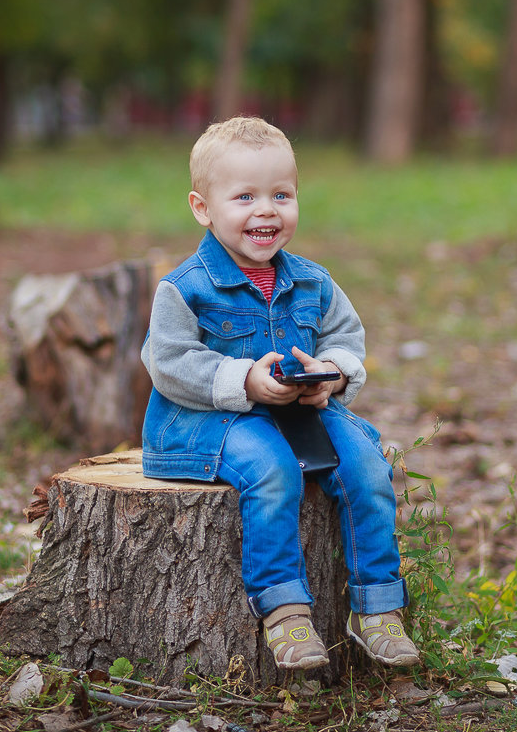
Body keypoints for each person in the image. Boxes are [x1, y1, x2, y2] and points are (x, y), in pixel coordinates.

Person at [140, 116, 419, 671]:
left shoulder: (314, 281)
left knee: (366, 465)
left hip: (300, 410)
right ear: (203, 207)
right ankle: (285, 613)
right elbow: (167, 362)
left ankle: (378, 609)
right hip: (211, 420)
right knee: (272, 470)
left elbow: (345, 338)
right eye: (244, 196)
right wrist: (243, 380)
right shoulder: (185, 288)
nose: (266, 210)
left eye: (281, 195)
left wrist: (331, 374)